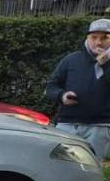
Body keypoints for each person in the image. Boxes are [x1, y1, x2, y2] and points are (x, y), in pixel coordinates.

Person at [47, 18, 110, 164]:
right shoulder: (71, 59)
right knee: (60, 166)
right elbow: (51, 86)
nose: (98, 42)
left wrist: (105, 64)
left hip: (98, 127)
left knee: (91, 168)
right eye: (94, 37)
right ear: (87, 38)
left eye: (104, 38)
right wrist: (62, 96)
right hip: (67, 124)